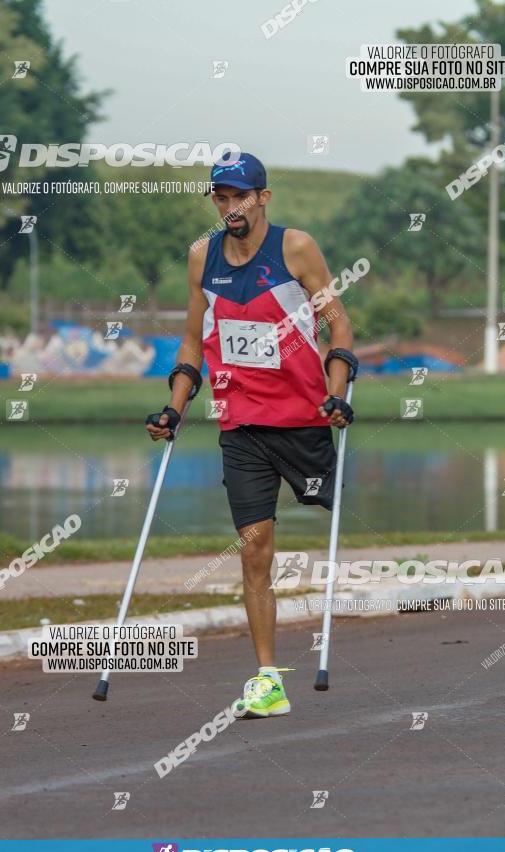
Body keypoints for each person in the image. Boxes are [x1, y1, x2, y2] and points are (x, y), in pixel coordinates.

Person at [147, 152, 356, 718]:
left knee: (333, 510)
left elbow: (337, 324)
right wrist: (173, 407)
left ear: (263, 198)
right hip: (240, 423)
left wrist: (336, 391)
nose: (230, 206)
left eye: (240, 196)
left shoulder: (296, 249)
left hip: (303, 419)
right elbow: (194, 340)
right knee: (254, 548)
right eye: (220, 196)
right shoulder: (201, 256)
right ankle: (268, 679)